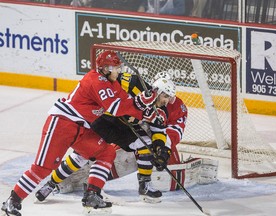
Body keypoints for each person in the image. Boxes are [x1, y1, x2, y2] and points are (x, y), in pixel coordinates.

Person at [1, 50, 162, 216]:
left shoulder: (112, 83)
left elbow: (128, 103)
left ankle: (92, 195)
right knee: (42, 168)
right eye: (116, 67)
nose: (119, 71)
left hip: (82, 128)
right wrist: (144, 106)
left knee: (105, 153)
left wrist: (145, 104)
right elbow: (116, 108)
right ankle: (12, 202)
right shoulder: (95, 80)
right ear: (105, 68)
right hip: (62, 124)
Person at [34, 72, 187, 203]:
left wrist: (161, 150)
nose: (167, 101)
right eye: (166, 96)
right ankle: (51, 183)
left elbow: (158, 129)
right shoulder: (135, 84)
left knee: (146, 144)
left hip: (123, 127)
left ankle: (145, 186)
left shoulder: (161, 110)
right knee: (80, 156)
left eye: (170, 97)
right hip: (104, 119)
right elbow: (113, 82)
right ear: (157, 91)